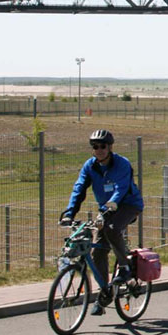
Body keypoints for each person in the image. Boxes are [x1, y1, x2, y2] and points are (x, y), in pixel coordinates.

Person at [60, 129, 144, 316]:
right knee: (97, 251)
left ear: (110, 147)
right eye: (95, 146)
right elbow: (79, 188)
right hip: (106, 209)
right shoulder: (90, 166)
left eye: (103, 146)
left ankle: (125, 267)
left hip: (128, 205)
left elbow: (121, 189)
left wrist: (107, 208)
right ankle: (105, 293)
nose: (99, 150)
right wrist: (69, 213)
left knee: (112, 228)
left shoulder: (122, 164)